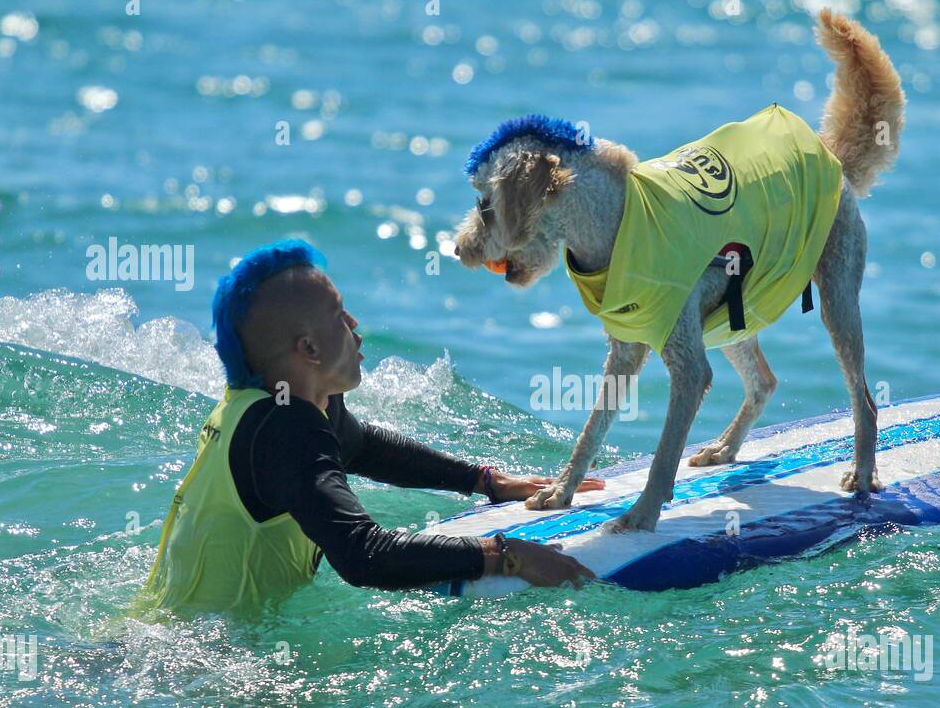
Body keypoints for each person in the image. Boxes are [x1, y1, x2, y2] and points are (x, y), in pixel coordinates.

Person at [138, 239, 598, 617]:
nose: (355, 325)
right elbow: (363, 555)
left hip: (176, 628)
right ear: (310, 349)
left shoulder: (280, 402)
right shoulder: (286, 431)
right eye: (340, 314)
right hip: (201, 664)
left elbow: (362, 447)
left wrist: (485, 481)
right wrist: (505, 556)